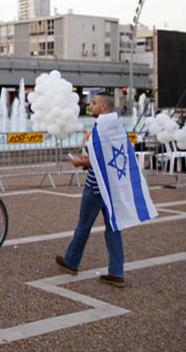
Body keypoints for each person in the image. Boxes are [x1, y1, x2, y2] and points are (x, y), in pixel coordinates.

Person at [56, 92, 127, 287]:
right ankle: (117, 272)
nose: (91, 106)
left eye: (94, 103)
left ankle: (72, 261)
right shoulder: (118, 126)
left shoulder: (101, 128)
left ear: (104, 107)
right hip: (112, 185)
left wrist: (80, 162)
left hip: (96, 187)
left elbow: (98, 157)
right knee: (113, 228)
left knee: (83, 225)